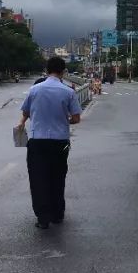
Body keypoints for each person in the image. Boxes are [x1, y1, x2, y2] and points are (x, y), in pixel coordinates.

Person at [17, 56, 82, 229]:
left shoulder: (35, 89)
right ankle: (57, 214)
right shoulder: (68, 92)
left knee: (38, 179)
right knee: (58, 177)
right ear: (63, 72)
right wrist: (63, 119)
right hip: (60, 142)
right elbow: (76, 118)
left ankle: (43, 218)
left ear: (46, 70)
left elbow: (26, 111)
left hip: (37, 141)